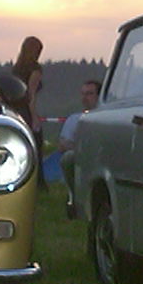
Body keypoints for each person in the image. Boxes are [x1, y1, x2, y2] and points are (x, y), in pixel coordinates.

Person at [59, 77, 101, 207]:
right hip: (81, 156)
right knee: (68, 158)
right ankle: (75, 197)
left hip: (102, 157)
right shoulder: (74, 119)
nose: (85, 98)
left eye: (89, 94)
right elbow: (63, 144)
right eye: (83, 94)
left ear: (99, 96)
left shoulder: (106, 119)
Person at [8, 36, 45, 177]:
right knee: (35, 146)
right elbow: (31, 94)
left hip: (15, 110)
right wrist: (34, 117)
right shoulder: (35, 69)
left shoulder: (16, 68)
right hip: (26, 111)